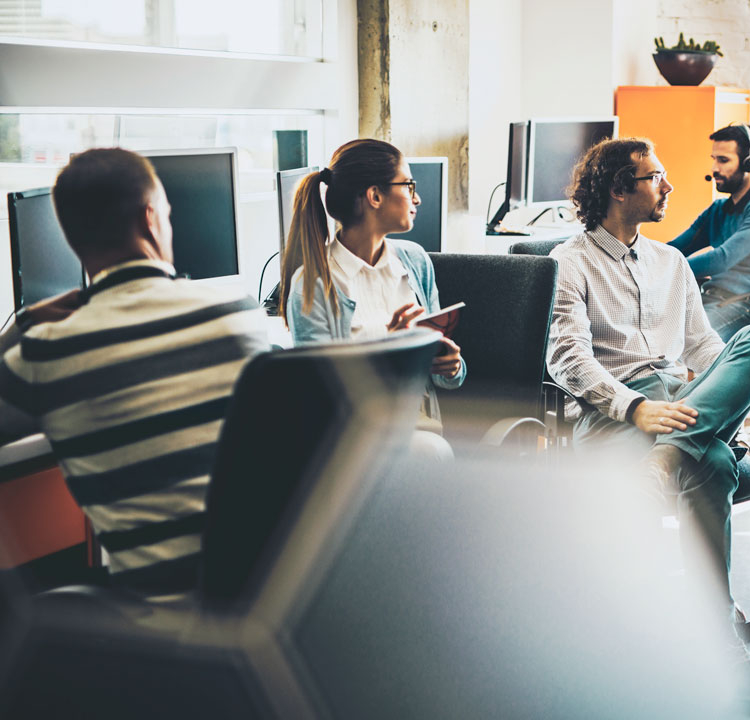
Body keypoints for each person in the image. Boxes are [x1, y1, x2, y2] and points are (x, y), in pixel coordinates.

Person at [547, 137, 750, 700]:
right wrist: (636, 407)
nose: (669, 187)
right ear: (617, 189)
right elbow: (566, 358)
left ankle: (665, 461)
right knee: (720, 464)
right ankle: (719, 641)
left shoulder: (670, 261)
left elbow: (704, 349)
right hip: (615, 414)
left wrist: (722, 406)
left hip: (681, 403)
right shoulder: (570, 262)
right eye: (654, 177)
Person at [0, 148, 271, 603]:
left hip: (160, 619)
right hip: (274, 598)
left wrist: (24, 323)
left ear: (72, 239)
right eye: (167, 213)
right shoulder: (239, 315)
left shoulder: (47, 353)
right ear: (150, 219)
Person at [282, 138, 464, 448]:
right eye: (408, 186)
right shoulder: (311, 286)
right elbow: (319, 400)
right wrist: (389, 351)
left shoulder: (415, 261)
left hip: (418, 425)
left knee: (433, 451)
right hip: (353, 439)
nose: (416, 199)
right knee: (434, 454)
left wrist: (450, 364)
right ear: (375, 195)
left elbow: (450, 378)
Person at [669, 123, 750, 340]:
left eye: (723, 160)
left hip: (747, 307)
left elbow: (721, 259)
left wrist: (664, 270)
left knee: (683, 346)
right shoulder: (719, 209)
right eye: (714, 159)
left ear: (749, 162)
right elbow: (676, 248)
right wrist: (643, 259)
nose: (714, 169)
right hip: (713, 299)